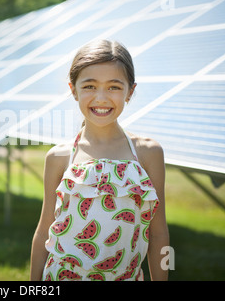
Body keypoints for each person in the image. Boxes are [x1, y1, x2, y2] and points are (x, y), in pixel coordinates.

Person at [30, 39, 169, 281]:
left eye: (114, 87)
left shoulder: (148, 153)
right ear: (73, 90)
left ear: (130, 92)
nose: (101, 98)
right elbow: (44, 232)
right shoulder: (58, 157)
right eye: (90, 86)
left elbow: (159, 234)